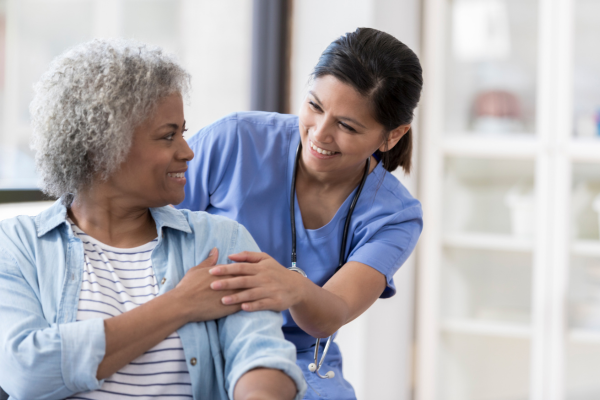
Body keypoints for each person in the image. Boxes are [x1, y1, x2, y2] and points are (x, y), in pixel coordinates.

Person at [0, 39, 306, 400]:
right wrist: (180, 304)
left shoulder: (220, 241)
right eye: (168, 136)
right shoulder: (19, 245)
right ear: (102, 151)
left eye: (183, 132)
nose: (187, 151)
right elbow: (25, 372)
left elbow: (261, 353)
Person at [177, 27, 423, 399]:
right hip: (195, 331)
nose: (320, 134)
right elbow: (147, 225)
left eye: (346, 126)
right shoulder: (237, 140)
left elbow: (331, 315)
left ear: (392, 135)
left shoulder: (395, 215)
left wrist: (293, 288)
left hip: (300, 357)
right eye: (314, 106)